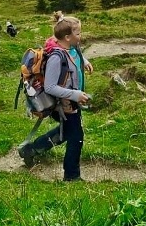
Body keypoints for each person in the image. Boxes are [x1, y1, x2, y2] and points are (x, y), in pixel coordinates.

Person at [18, 14, 91, 181]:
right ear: (67, 37)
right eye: (78, 34)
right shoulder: (56, 58)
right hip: (64, 104)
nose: (81, 36)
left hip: (71, 102)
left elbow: (74, 52)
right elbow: (50, 87)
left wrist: (84, 61)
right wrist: (76, 94)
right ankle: (72, 176)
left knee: (67, 132)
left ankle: (31, 150)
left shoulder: (69, 48)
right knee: (76, 137)